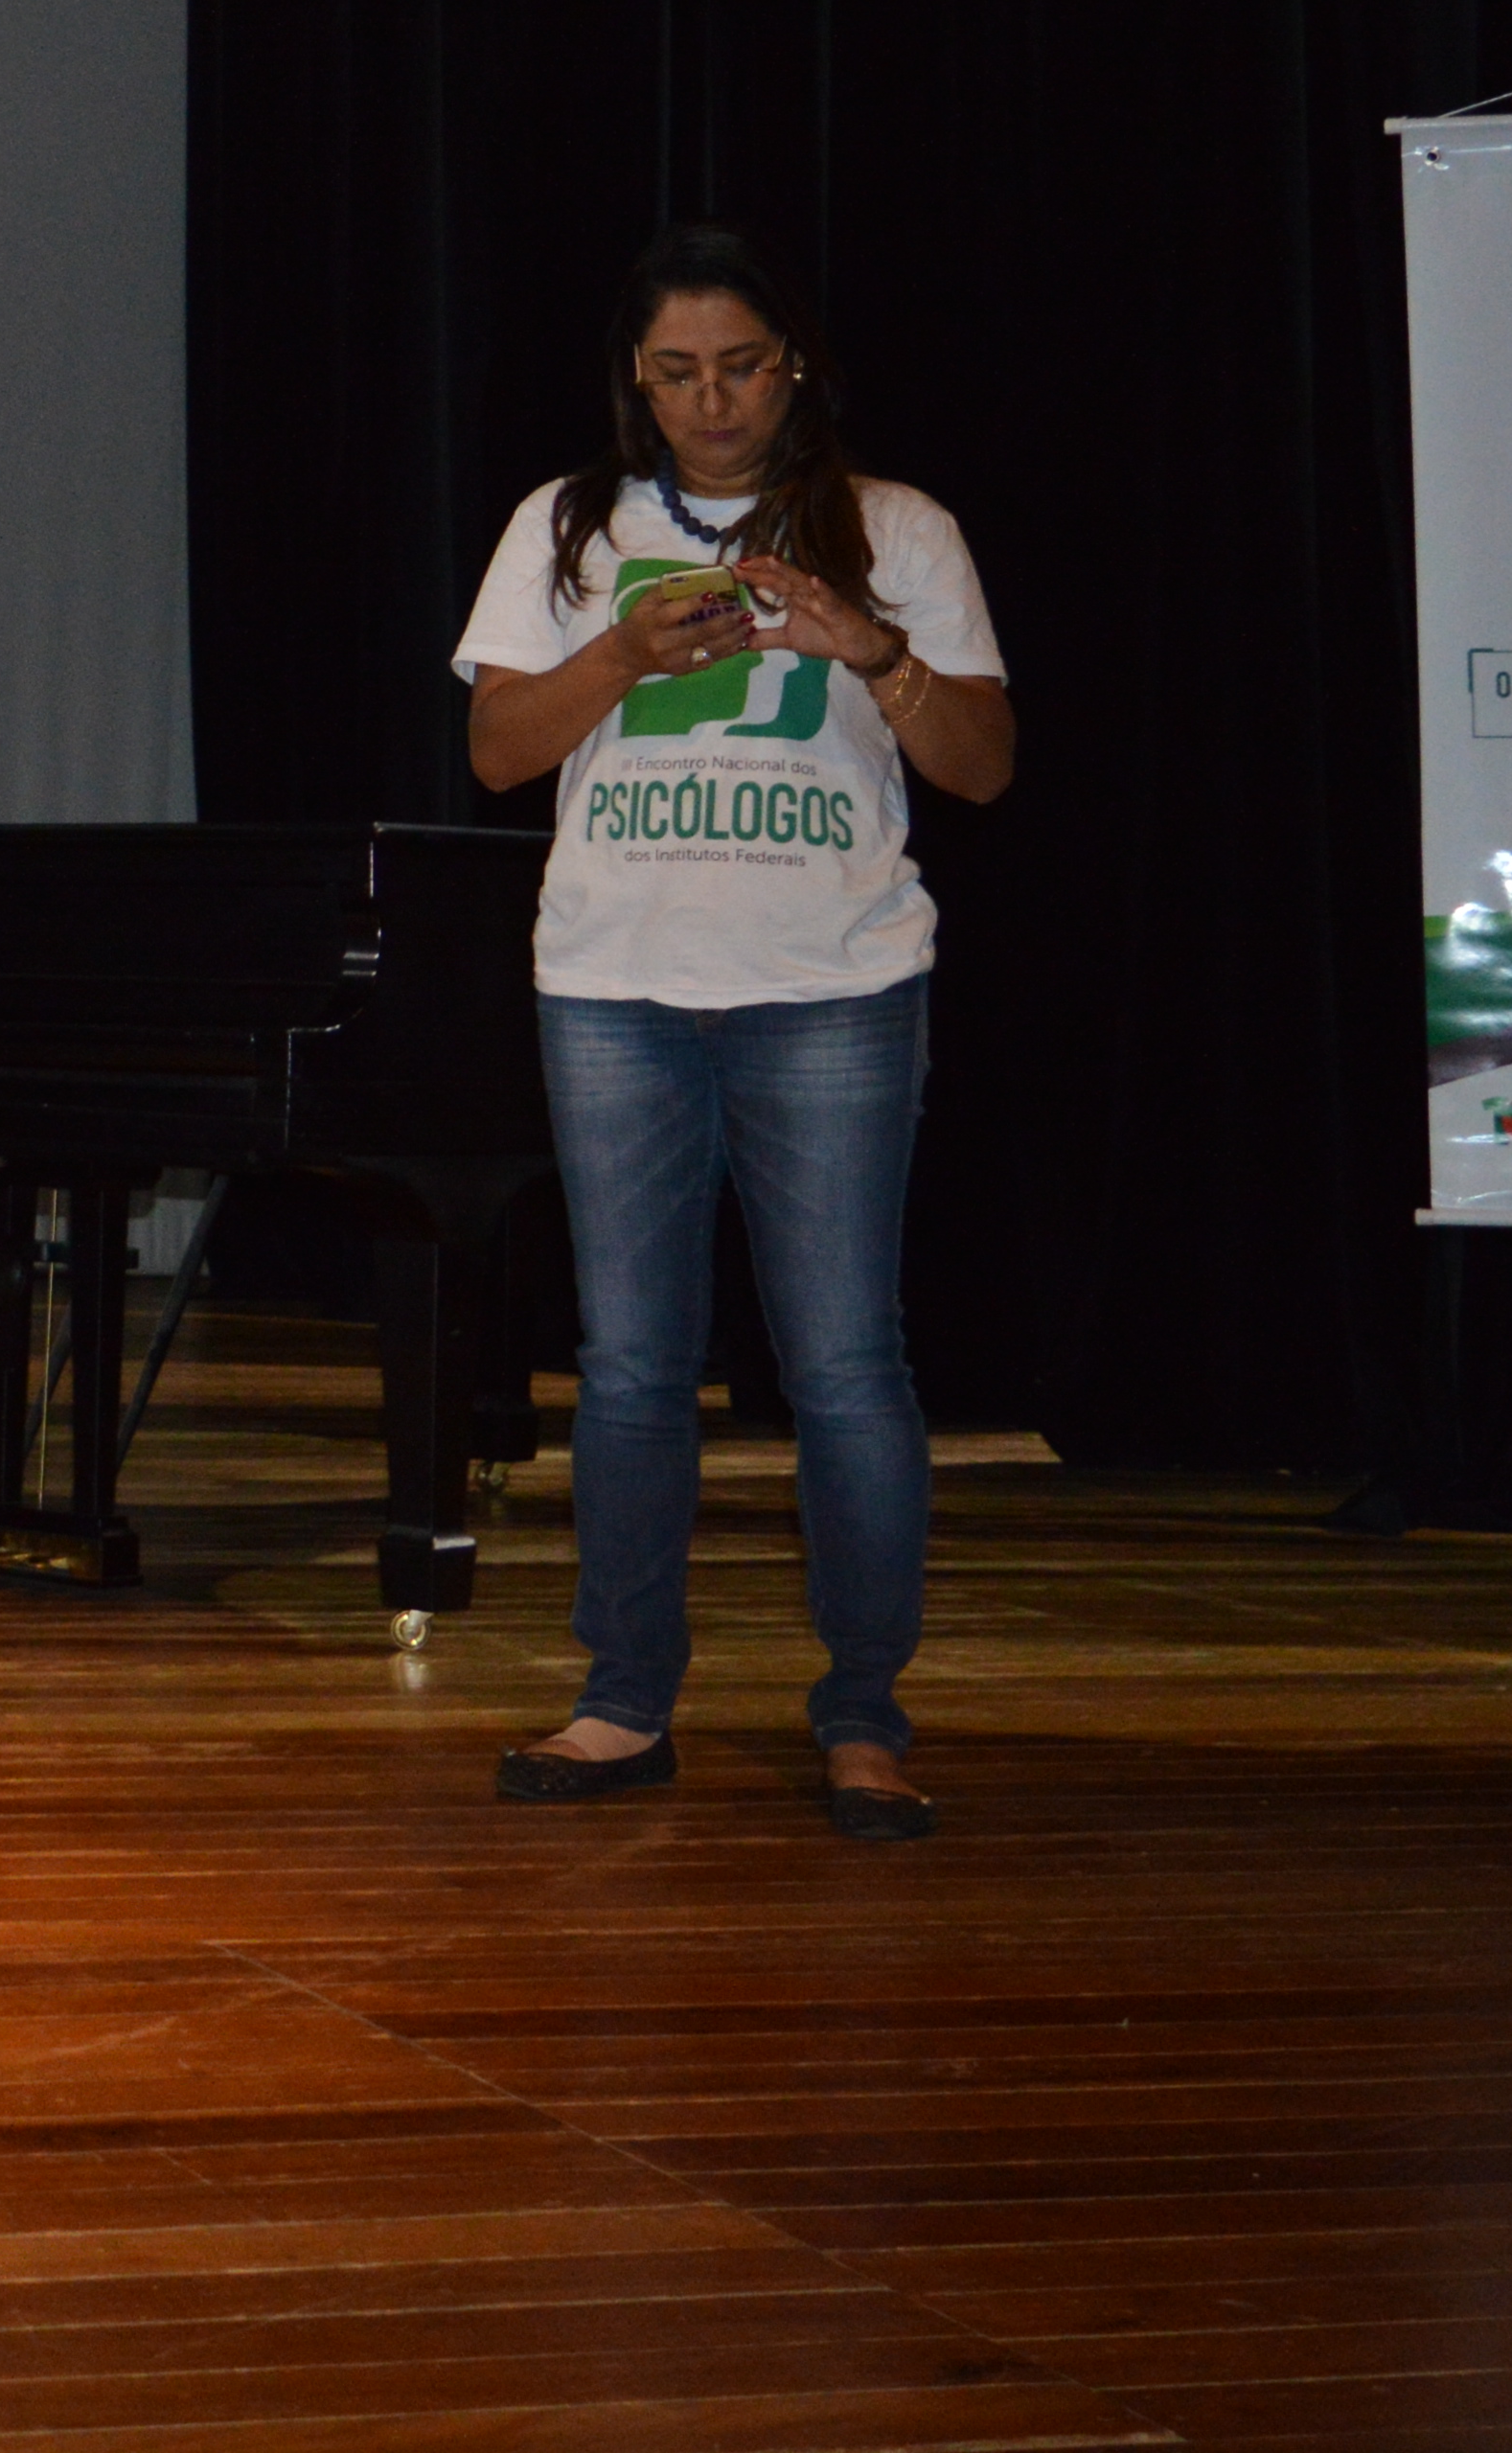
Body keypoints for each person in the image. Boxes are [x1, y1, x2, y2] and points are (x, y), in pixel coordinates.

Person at [452, 227, 1012, 1840]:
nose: (713, 401)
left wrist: (875, 652)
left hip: (831, 987)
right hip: (616, 987)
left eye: (744, 367)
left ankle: (863, 1716)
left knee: (844, 1366)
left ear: (798, 369)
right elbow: (495, 752)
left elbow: (982, 770)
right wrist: (625, 652)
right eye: (678, 371)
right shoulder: (567, 527)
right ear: (639, 381)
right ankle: (624, 1701)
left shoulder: (897, 530)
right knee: (628, 1368)